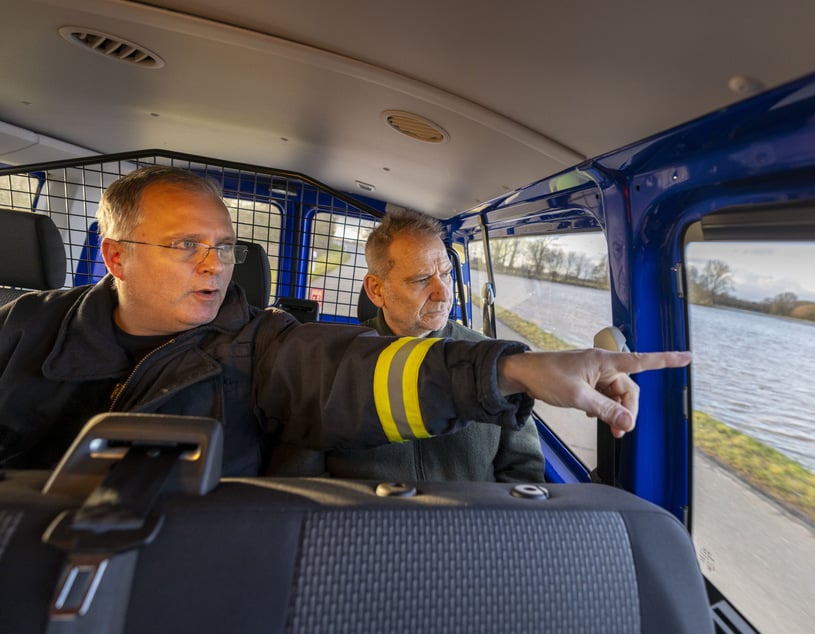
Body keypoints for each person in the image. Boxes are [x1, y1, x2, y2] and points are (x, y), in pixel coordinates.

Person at [0, 166, 690, 477]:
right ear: (116, 257)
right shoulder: (21, 330)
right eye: (187, 246)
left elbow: (341, 375)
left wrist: (510, 368)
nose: (215, 266)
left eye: (224, 246)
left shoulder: (259, 343)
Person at [323, 209, 545, 482]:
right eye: (421, 279)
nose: (443, 293)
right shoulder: (334, 362)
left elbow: (523, 475)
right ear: (376, 290)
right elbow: (301, 478)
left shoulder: (493, 360)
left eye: (447, 274)